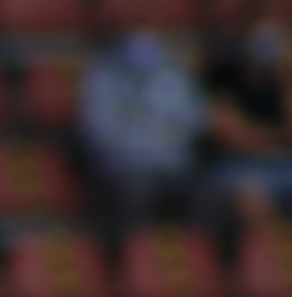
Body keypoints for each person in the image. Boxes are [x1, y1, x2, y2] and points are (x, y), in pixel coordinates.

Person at [202, 0, 292, 224]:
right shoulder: (224, 71)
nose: (265, 32)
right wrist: (282, 138)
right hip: (244, 165)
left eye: (273, 23)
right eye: (257, 22)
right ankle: (271, 248)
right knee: (251, 201)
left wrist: (288, 77)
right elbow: (230, 135)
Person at [79, 30, 209, 225]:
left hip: (172, 167)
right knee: (134, 195)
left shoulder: (175, 72)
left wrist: (165, 147)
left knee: (204, 197)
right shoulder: (104, 73)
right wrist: (145, 148)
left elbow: (193, 122)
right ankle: (126, 244)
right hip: (125, 168)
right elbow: (98, 130)